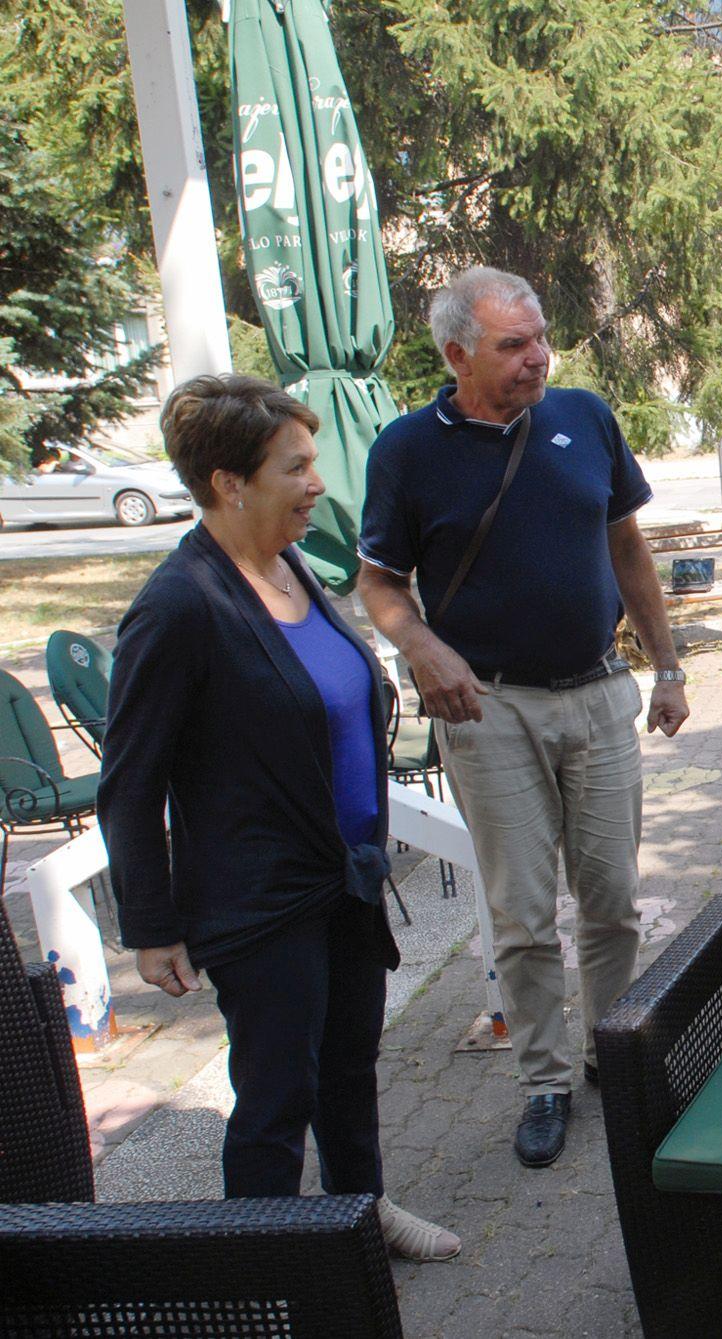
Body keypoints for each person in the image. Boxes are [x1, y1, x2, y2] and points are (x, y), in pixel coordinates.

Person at [98, 374, 458, 1261]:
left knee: (347, 1072)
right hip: (259, 899)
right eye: (296, 467)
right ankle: (266, 1267)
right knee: (274, 1096)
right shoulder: (180, 604)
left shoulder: (288, 562)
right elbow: (130, 780)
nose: (316, 484)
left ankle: (360, 1218)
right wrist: (150, 925)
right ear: (229, 481)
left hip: (344, 879)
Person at [357, 266, 691, 1169]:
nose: (537, 359)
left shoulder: (584, 418)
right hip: (488, 704)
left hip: (595, 690)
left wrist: (666, 665)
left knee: (614, 898)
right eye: (514, 345)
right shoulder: (405, 452)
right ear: (457, 352)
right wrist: (423, 650)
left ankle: (609, 1054)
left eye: (541, 339)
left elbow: (629, 546)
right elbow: (379, 583)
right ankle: (544, 1079)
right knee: (521, 911)